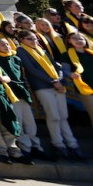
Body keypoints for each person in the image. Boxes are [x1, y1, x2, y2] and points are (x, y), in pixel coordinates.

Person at [15, 29, 83, 160]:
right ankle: (58, 144)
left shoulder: (43, 51)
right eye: (30, 39)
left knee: (63, 116)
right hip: (42, 87)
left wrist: (61, 80)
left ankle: (72, 145)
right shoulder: (21, 51)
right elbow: (32, 70)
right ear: (22, 40)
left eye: (35, 38)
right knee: (54, 116)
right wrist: (52, 82)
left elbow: (57, 67)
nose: (34, 41)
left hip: (57, 86)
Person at [0, 37, 48, 160]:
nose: (6, 46)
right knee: (19, 121)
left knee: (30, 121)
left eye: (7, 44)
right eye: (2, 45)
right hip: (11, 92)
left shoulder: (16, 58)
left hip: (22, 91)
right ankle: (25, 147)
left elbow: (21, 76)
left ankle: (36, 146)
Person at [61, 32, 93, 130]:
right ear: (69, 41)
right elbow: (65, 70)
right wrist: (71, 74)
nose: (78, 41)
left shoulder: (90, 53)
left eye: (81, 38)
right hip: (84, 88)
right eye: (74, 38)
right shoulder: (66, 55)